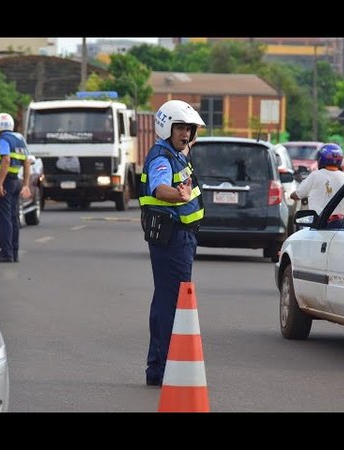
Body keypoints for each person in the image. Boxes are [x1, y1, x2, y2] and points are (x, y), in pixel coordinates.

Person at [138, 100, 206, 386]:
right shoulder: (162, 158)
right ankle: (161, 369)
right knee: (171, 303)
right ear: (167, 127)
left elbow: (189, 142)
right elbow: (160, 187)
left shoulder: (178, 152)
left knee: (169, 300)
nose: (186, 134)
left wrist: (192, 133)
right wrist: (177, 195)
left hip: (182, 237)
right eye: (180, 128)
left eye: (189, 129)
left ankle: (162, 367)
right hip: (172, 238)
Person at [0, 112, 31, 263]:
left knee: (3, 218)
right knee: (13, 218)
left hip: (5, 183)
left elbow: (5, 160)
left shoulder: (3, 139)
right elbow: (27, 163)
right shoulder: (20, 139)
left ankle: (6, 253)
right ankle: (14, 252)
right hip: (16, 182)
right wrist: (25, 184)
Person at [290, 143, 344, 216]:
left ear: (321, 158)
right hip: (340, 223)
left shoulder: (315, 176)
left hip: (318, 223)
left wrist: (291, 195)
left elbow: (297, 195)